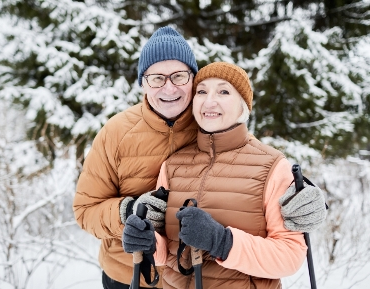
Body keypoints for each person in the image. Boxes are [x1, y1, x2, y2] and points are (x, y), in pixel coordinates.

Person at [74, 26, 326, 289]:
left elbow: (250, 158)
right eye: (156, 78)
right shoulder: (117, 133)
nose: (168, 87)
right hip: (128, 274)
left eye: (179, 76)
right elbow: (85, 210)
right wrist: (128, 214)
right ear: (143, 83)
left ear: (192, 80)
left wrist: (303, 195)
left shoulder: (210, 122)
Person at [122, 62, 321, 288]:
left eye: (223, 92)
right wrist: (148, 244)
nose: (209, 101)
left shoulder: (272, 166)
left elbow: (290, 257)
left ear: (242, 106)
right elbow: (169, 254)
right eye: (202, 91)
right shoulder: (173, 165)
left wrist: (222, 242)